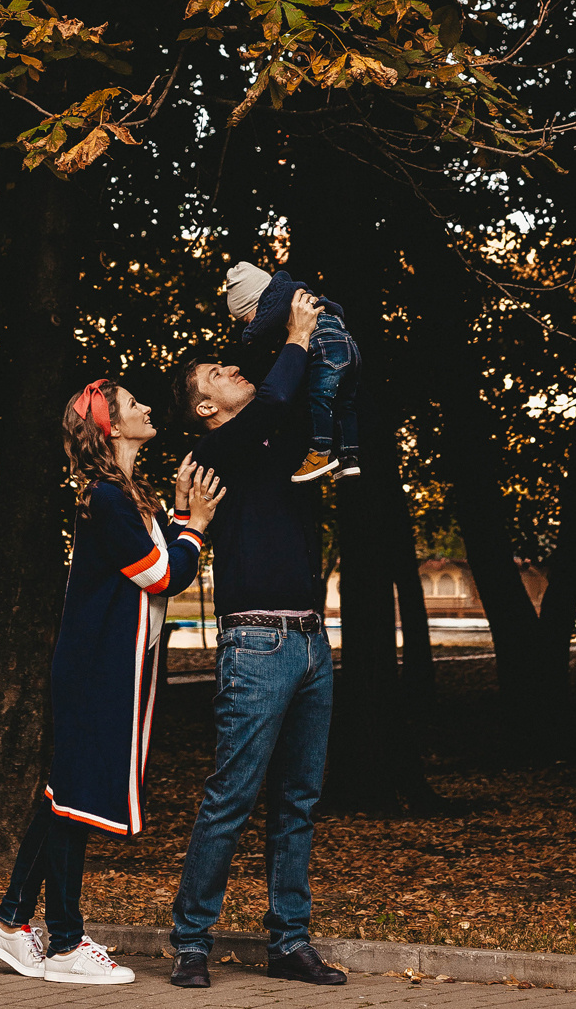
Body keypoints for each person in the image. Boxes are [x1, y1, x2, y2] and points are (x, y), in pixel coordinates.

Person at [0, 377, 225, 987]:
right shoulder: (107, 499)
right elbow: (165, 576)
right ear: (111, 426)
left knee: (65, 796)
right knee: (77, 802)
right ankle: (64, 943)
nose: (146, 407)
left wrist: (177, 515)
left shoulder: (120, 495)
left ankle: (12, 923)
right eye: (132, 404)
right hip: (96, 670)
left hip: (102, 667)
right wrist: (196, 523)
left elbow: (155, 556)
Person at [167, 289, 346, 988]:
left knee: (297, 800)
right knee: (231, 796)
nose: (229, 369)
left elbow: (301, 398)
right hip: (256, 645)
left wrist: (305, 336)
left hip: (311, 642)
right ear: (205, 408)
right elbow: (272, 396)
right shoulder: (213, 449)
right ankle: (189, 939)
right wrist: (295, 336)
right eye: (214, 372)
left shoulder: (279, 438)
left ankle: (288, 940)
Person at [225, 260, 361, 484]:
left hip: (326, 347)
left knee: (319, 399)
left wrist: (249, 335)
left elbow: (259, 327)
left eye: (244, 318)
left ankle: (320, 452)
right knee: (344, 404)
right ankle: (349, 457)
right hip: (347, 345)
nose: (247, 323)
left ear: (254, 301)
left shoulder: (275, 298)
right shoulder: (293, 291)